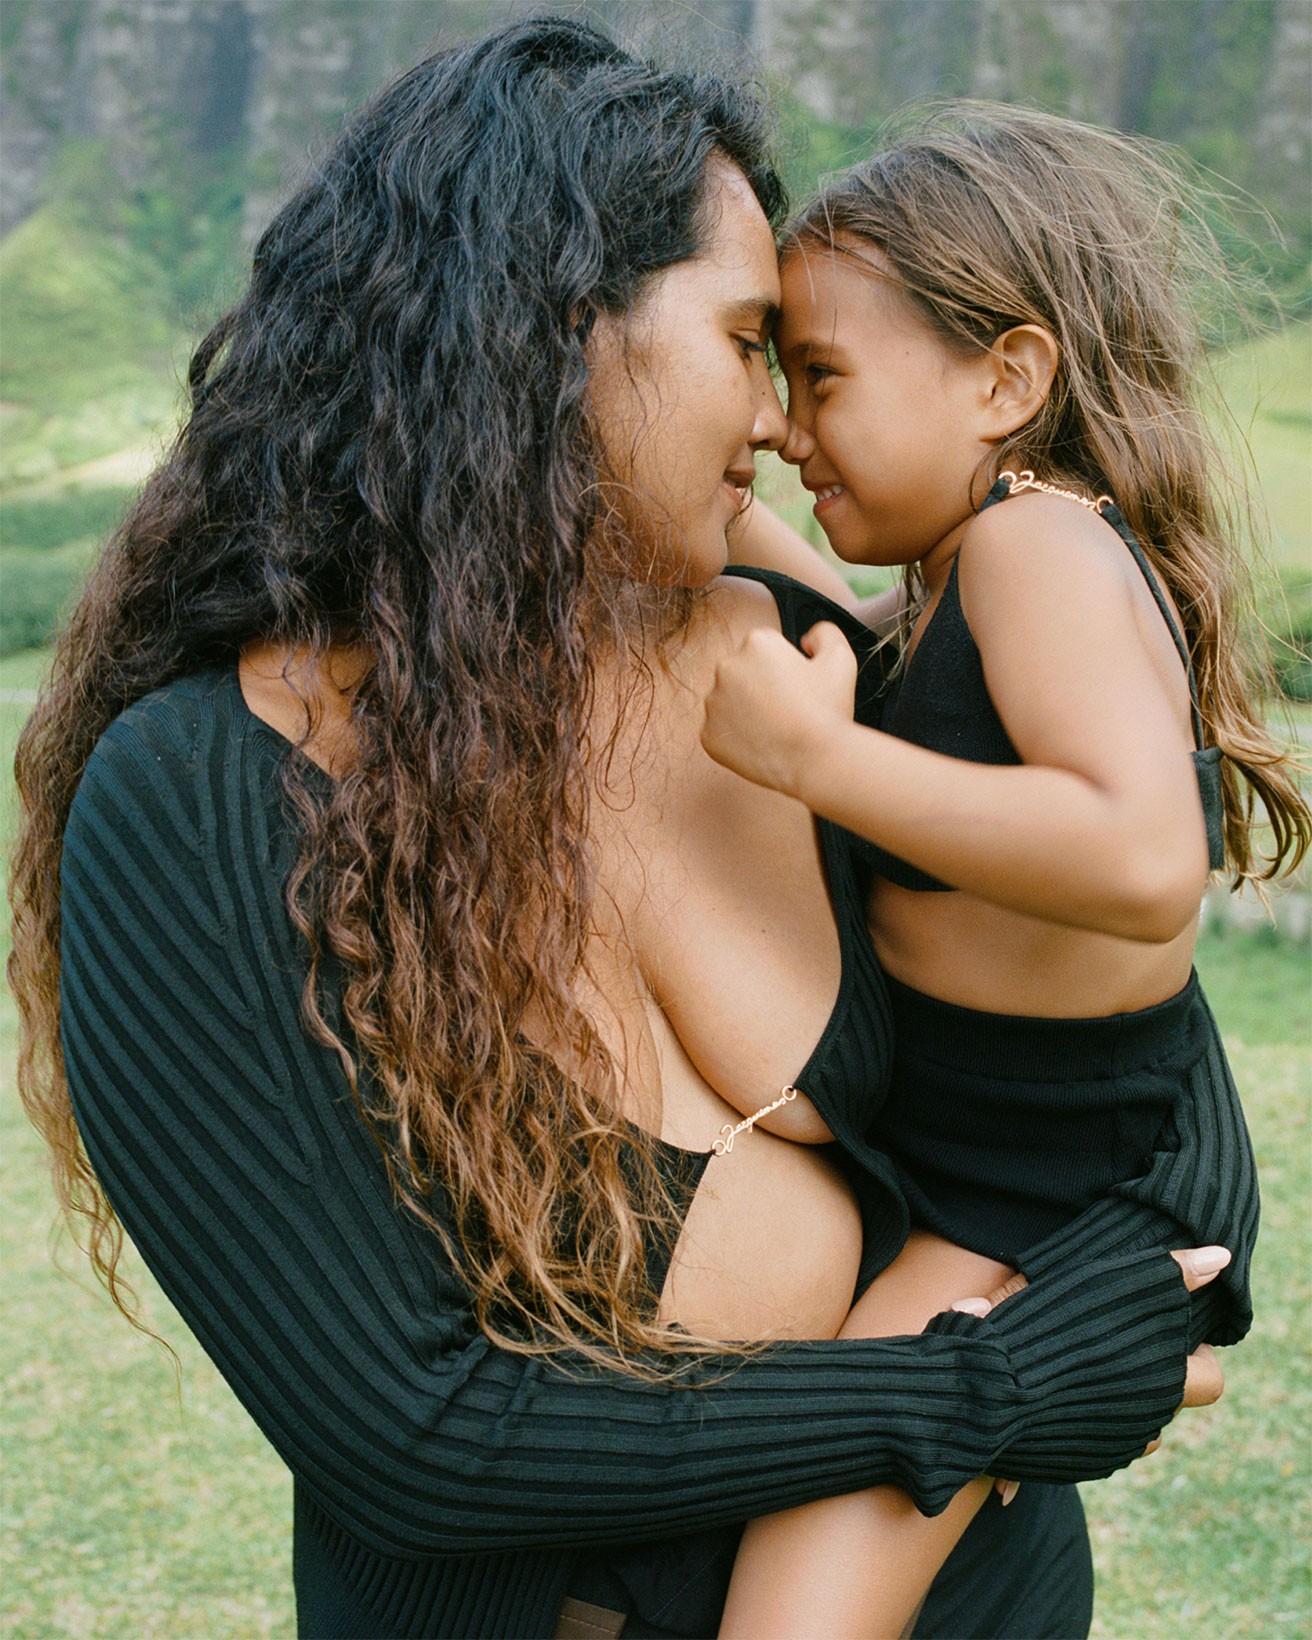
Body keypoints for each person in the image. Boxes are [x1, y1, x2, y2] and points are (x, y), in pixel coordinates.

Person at [9, 25, 1242, 1640]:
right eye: (748, 342)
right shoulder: (196, 801)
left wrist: (1163, 1264)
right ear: (547, 334)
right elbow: (412, 1440)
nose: (781, 424)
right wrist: (993, 1386)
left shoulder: (790, 670)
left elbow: (1117, 1035)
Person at [701, 102, 1307, 1636]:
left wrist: (814, 760)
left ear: (1006, 380)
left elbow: (1144, 859)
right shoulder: (952, 573)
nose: (786, 426)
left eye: (821, 376)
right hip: (983, 1160)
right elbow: (827, 618)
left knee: (790, 1614)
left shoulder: (1037, 544)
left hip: (1034, 1197)